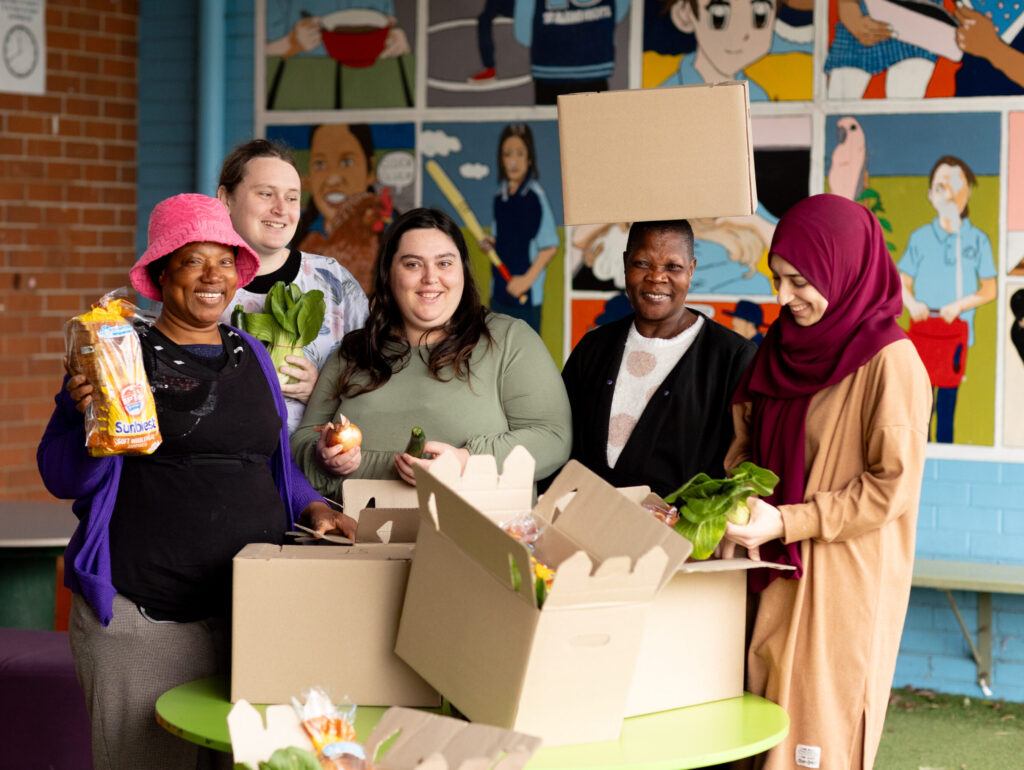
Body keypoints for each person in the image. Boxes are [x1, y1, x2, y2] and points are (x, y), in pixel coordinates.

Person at [36, 194, 356, 770]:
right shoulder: (117, 353)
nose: (214, 276)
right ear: (161, 274)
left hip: (248, 617)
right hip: (147, 617)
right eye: (193, 260)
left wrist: (313, 507)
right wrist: (89, 429)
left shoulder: (253, 353)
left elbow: (270, 462)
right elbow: (61, 477)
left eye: (226, 260)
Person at [719, 194, 931, 769]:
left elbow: (892, 487)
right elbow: (747, 439)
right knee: (750, 732)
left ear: (845, 267)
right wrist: (742, 493)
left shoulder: (892, 362)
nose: (783, 297)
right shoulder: (780, 346)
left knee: (814, 739)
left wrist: (788, 519)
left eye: (799, 281)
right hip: (765, 564)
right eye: (778, 278)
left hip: (838, 581)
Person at [291, 207, 571, 497]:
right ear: (388, 274)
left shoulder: (510, 339)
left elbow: (553, 439)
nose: (430, 277)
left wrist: (466, 462)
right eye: (413, 264)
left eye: (444, 263)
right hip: (356, 535)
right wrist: (324, 457)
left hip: (478, 536)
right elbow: (301, 442)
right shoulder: (354, 352)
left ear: (463, 270)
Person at [562, 219, 757, 497]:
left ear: (691, 270)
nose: (656, 277)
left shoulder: (733, 358)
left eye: (673, 267)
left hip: (681, 535)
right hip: (588, 526)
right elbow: (562, 441)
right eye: (643, 263)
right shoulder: (593, 348)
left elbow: (745, 462)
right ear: (625, 263)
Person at [218, 138, 369, 434]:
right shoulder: (201, 283)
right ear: (226, 198)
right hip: (223, 468)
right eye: (265, 194)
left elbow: (375, 375)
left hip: (313, 464)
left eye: (291, 198)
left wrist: (325, 389)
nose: (280, 209)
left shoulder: (333, 280)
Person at [898, 155, 996, 443]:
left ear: (968, 190)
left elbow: (988, 290)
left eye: (956, 184)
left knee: (948, 406)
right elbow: (902, 283)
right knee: (922, 404)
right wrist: (912, 303)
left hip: (957, 335)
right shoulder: (920, 238)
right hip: (924, 331)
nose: (949, 193)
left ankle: (945, 454)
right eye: (941, 187)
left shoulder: (978, 240)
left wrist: (959, 305)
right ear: (930, 195)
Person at [292, 123, 393, 295]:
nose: (332, 179)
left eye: (347, 162)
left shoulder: (391, 243)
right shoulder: (299, 236)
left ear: (370, 170)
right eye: (319, 164)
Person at [478, 124, 559, 334]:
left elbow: (549, 247)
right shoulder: (500, 196)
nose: (513, 160)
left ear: (529, 158)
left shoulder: (535, 196)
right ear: (501, 160)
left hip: (526, 297)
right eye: (507, 154)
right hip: (499, 291)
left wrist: (526, 281)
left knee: (525, 355)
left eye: (519, 154)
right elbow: (500, 238)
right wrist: (490, 244)